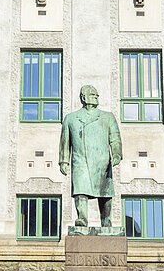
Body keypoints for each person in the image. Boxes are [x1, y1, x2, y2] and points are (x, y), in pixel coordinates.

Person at [58, 84, 123, 227]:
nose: (96, 97)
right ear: (83, 97)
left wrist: (117, 153)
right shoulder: (71, 118)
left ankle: (106, 221)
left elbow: (115, 138)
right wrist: (64, 161)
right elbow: (65, 141)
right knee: (80, 189)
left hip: (102, 161)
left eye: (97, 95)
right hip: (80, 159)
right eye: (93, 94)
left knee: (105, 193)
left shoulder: (107, 117)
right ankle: (82, 218)